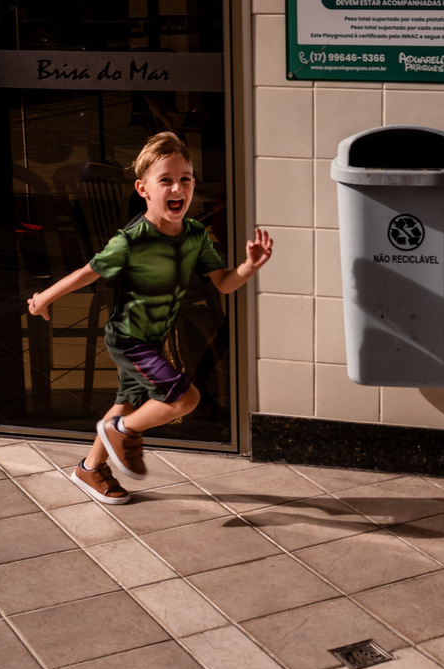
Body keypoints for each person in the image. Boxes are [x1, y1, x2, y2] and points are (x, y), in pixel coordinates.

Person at [27, 132, 273, 504]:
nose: (178, 188)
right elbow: (87, 272)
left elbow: (223, 284)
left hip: (153, 338)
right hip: (129, 338)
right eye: (166, 180)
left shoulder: (195, 235)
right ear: (143, 189)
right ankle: (119, 430)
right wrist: (43, 298)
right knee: (184, 399)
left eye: (185, 179)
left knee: (127, 399)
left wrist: (249, 267)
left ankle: (89, 468)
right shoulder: (131, 240)